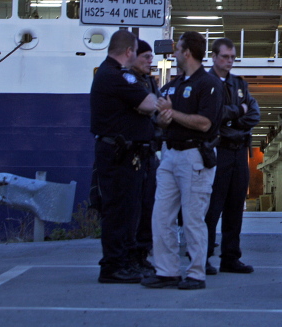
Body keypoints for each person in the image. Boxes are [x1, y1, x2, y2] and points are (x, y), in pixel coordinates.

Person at [142, 32, 223, 290]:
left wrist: (171, 113)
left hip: (194, 156)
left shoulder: (209, 84)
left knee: (193, 217)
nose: (174, 53)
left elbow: (204, 123)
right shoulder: (173, 86)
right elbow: (160, 119)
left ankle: (197, 272)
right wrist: (162, 119)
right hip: (169, 154)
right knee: (161, 215)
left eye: (177, 49)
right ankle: (167, 271)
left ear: (187, 52)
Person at [90, 30, 158, 284]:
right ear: (129, 51)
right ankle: (113, 266)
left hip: (126, 153)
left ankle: (125, 261)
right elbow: (150, 104)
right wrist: (147, 104)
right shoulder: (115, 76)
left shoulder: (111, 74)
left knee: (129, 210)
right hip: (119, 155)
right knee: (119, 211)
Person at [204, 38, 260, 276]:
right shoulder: (205, 83)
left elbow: (254, 113)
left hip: (239, 151)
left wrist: (229, 118)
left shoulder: (239, 84)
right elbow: (212, 115)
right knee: (212, 207)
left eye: (232, 58)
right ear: (214, 56)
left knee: (235, 206)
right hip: (219, 150)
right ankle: (203, 256)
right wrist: (236, 114)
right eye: (225, 57)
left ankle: (230, 257)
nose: (229, 61)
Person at [128, 39, 161, 276]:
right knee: (132, 207)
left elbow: (156, 107)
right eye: (146, 57)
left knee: (150, 205)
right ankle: (129, 256)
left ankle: (142, 253)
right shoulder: (126, 80)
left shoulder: (149, 80)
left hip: (150, 151)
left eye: (151, 57)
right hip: (132, 152)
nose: (151, 61)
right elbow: (146, 106)